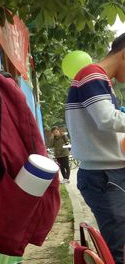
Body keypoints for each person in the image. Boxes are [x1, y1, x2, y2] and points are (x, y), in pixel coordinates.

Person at [65, 35, 125, 264]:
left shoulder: (99, 79)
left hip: (107, 174)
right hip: (105, 176)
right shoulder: (92, 74)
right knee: (119, 249)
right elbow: (107, 120)